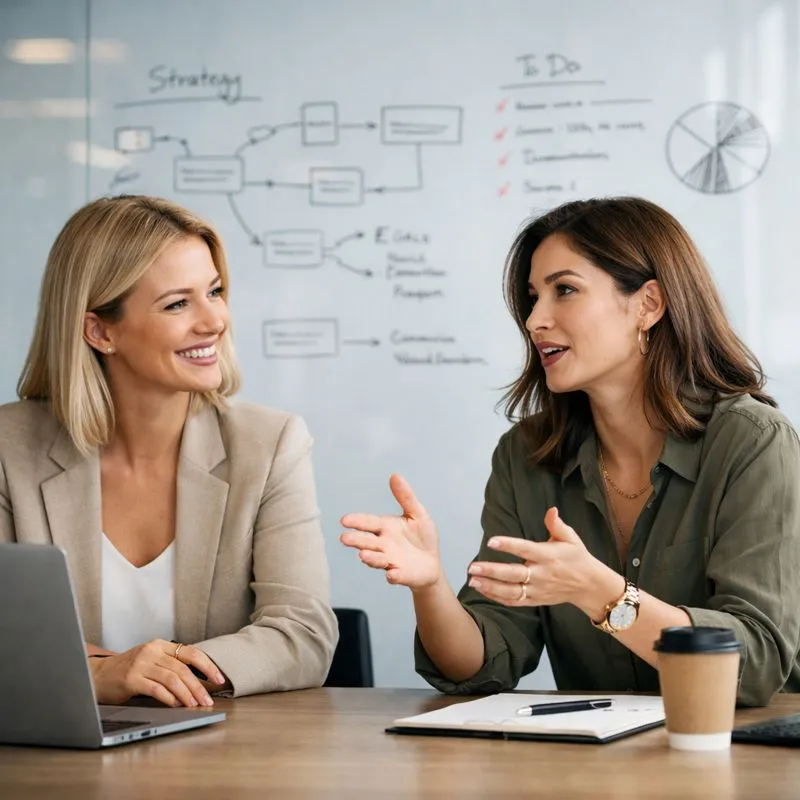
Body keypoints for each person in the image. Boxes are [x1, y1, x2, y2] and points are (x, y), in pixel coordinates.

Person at [341, 196, 800, 707]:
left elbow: (754, 660)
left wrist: (599, 592)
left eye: (565, 290)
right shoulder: (525, 456)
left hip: (746, 757)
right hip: (598, 772)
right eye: (533, 297)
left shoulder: (752, 443)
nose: (535, 319)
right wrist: (430, 588)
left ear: (647, 304)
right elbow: (484, 664)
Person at [0, 195, 337, 707]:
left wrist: (150, 673)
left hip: (221, 762)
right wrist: (94, 676)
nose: (214, 322)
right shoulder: (9, 449)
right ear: (100, 330)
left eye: (215, 292)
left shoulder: (269, 445)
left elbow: (303, 635)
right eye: (178, 303)